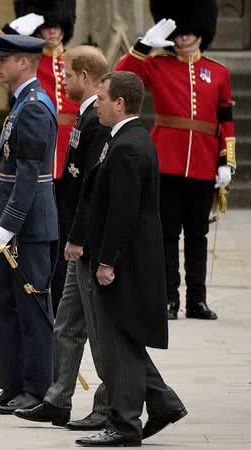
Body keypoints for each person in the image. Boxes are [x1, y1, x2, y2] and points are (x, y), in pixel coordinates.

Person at [73, 71, 187, 447]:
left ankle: (125, 425)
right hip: (129, 254)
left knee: (119, 338)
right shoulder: (125, 138)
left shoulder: (127, 146)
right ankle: (163, 402)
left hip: (126, 259)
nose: (98, 103)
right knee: (124, 336)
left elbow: (122, 212)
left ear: (120, 103)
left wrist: (107, 261)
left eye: (103, 98)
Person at [114, 0, 233, 321]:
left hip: (204, 163)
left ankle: (196, 300)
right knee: (166, 234)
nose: (182, 38)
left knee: (197, 235)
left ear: (201, 33)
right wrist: (143, 45)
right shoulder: (158, 65)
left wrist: (227, 161)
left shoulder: (218, 73)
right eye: (179, 32)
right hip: (166, 161)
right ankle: (168, 298)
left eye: (189, 32)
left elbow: (226, 119)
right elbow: (122, 75)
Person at [13, 45, 111, 430]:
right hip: (73, 235)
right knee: (66, 326)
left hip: (83, 241)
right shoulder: (86, 117)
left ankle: (122, 404)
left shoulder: (95, 121)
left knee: (101, 334)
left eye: (68, 75)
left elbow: (89, 188)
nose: (63, 81)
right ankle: (58, 398)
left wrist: (77, 237)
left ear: (85, 76)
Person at [0, 0, 78, 313]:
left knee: (66, 232)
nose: (53, 32)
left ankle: (62, 293)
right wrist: (12, 30)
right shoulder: (32, 60)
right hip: (43, 159)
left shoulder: (70, 61)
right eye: (48, 27)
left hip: (70, 158)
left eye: (58, 27)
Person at [0, 33, 58, 414]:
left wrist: (8, 223)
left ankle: (39, 388)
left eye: (4, 58)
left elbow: (28, 174)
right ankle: (12, 384)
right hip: (14, 223)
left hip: (28, 225)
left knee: (32, 307)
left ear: (24, 62)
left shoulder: (34, 107)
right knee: (4, 301)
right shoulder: (21, 104)